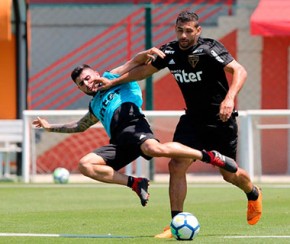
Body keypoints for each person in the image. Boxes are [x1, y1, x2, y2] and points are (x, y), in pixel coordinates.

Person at [93, 11, 262, 237]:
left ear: (198, 31)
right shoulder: (170, 51)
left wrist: (229, 98)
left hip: (221, 119)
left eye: (188, 31)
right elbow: (143, 71)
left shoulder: (210, 48)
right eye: (179, 30)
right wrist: (114, 81)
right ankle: (175, 223)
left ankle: (252, 193)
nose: (183, 35)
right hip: (192, 120)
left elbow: (239, 70)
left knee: (229, 175)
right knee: (176, 165)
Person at [32, 47, 238, 208]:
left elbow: (135, 61)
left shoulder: (111, 76)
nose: (87, 84)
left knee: (154, 149)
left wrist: (146, 53)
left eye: (87, 78)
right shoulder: (94, 105)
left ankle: (210, 156)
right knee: (86, 165)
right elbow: (79, 126)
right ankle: (136, 183)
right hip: (119, 142)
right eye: (81, 84)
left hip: (133, 125)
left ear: (95, 73)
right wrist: (50, 128)